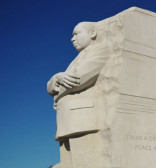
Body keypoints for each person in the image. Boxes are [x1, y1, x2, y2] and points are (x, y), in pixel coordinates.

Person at [47, 22, 111, 168]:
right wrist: (57, 77)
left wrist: (56, 93)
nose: (72, 39)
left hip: (82, 120)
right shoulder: (76, 59)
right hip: (66, 121)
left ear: (93, 33)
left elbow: (77, 79)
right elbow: (50, 86)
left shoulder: (100, 49)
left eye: (76, 34)